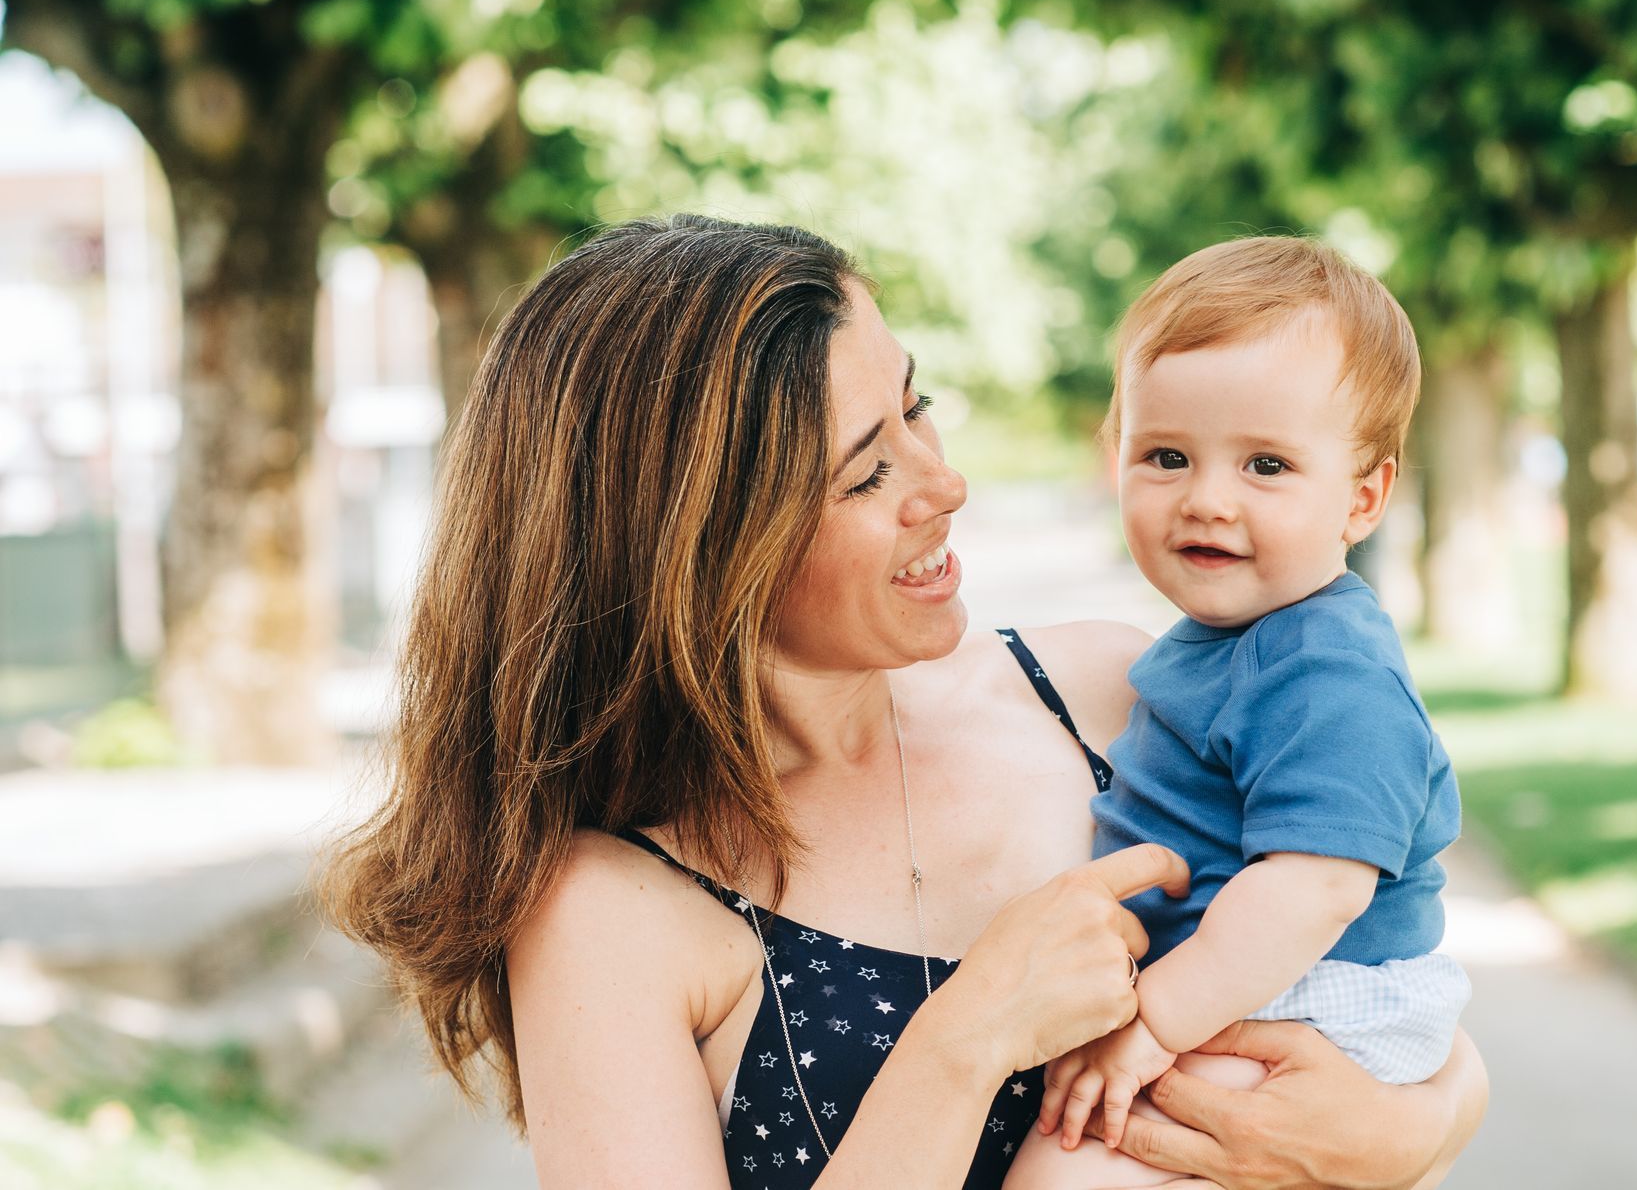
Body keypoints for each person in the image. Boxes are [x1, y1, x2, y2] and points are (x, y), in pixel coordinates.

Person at [322, 216, 1488, 1189]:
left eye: (918, 409)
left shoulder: (1101, 695)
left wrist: (1411, 1130)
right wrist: (972, 1033)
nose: (947, 484)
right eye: (869, 469)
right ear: (700, 551)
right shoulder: (612, 904)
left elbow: (1379, 984)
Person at [1006, 237, 1470, 1188]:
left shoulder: (1326, 668)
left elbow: (1315, 889)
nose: (1207, 501)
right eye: (1167, 456)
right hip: (1254, 975)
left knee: (1076, 1170)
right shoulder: (1234, 644)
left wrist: (1153, 1025)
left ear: (1363, 496)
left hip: (1310, 990)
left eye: (1266, 466)